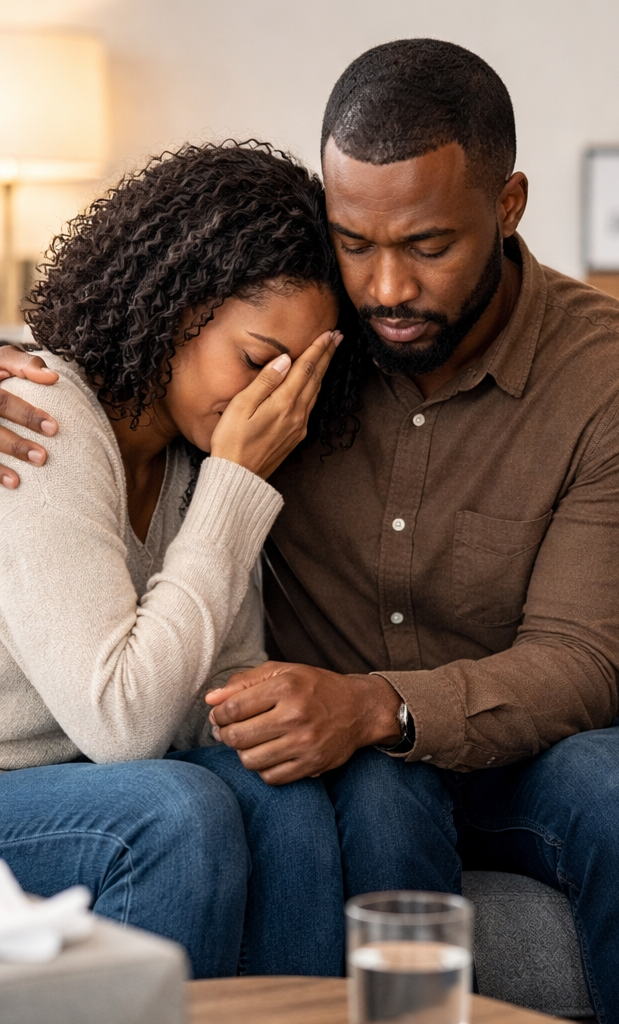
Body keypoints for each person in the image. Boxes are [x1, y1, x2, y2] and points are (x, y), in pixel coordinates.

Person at [0, 41, 619, 1023]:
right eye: (356, 244)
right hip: (328, 751)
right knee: (339, 797)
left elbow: (581, 658)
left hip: (522, 737)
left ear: (506, 206)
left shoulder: (617, 374)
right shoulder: (262, 363)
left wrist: (374, 704)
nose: (386, 288)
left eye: (427, 246)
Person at [0, 142, 354, 978]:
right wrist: (236, 482)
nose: (271, 403)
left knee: (285, 795)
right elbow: (124, 726)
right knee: (176, 808)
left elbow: (208, 702)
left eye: (297, 379)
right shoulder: (43, 419)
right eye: (257, 360)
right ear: (175, 307)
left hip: (84, 783)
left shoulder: (201, 465)